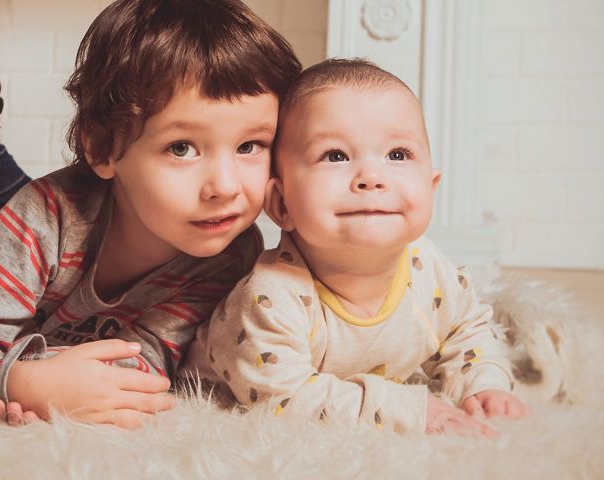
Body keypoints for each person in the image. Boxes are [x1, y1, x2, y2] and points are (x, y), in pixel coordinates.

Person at [0, 0, 301, 428]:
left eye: (250, 146)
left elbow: (148, 357)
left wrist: (80, 381)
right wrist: (21, 382)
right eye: (181, 148)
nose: (224, 187)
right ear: (103, 148)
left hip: (33, 240)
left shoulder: (228, 254)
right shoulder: (41, 220)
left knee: (45, 215)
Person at [181, 59, 530, 436]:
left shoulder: (427, 264)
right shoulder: (269, 297)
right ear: (281, 204)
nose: (371, 178)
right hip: (216, 394)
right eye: (335, 156)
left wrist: (484, 383)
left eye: (398, 155)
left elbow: (467, 330)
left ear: (431, 188)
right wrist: (406, 409)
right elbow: (282, 399)